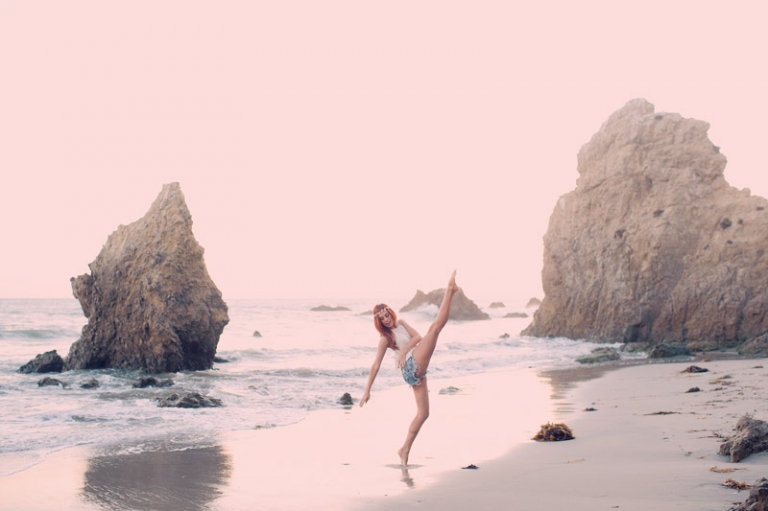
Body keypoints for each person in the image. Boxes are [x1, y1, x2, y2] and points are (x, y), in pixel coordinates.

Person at [359, 270, 459, 467]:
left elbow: (417, 338)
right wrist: (367, 391)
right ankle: (450, 291)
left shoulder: (401, 323)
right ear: (378, 322)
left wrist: (404, 350)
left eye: (387, 315)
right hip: (409, 368)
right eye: (383, 319)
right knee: (435, 329)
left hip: (412, 362)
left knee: (423, 414)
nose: (387, 320)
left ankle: (404, 449)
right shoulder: (384, 339)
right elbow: (376, 365)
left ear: (391, 313)